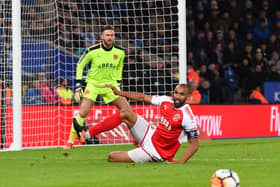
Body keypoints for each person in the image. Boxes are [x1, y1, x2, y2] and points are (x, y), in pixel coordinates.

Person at [73, 84, 199, 164]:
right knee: (126, 113)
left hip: (156, 152)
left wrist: (180, 162)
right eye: (176, 92)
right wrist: (121, 93)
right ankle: (86, 135)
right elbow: (143, 97)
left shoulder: (187, 116)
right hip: (151, 135)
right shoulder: (167, 101)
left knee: (112, 157)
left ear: (187, 96)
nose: (177, 96)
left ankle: (142, 154)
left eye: (181, 94)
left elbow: (194, 144)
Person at [63, 25, 135, 150]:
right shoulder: (92, 50)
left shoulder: (120, 52)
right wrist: (79, 84)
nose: (110, 37)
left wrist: (118, 82)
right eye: (107, 35)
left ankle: (137, 140)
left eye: (112, 35)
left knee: (127, 111)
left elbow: (119, 68)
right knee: (83, 112)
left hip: (110, 85)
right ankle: (70, 141)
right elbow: (80, 65)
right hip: (93, 84)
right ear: (102, 37)